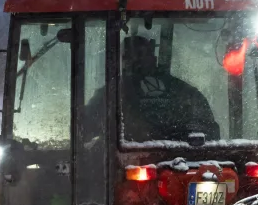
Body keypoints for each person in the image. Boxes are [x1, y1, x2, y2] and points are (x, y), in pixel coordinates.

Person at [84, 34, 220, 144]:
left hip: (134, 164)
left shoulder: (111, 93)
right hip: (180, 162)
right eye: (129, 56)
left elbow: (85, 128)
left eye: (139, 55)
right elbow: (210, 135)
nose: (134, 60)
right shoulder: (184, 91)